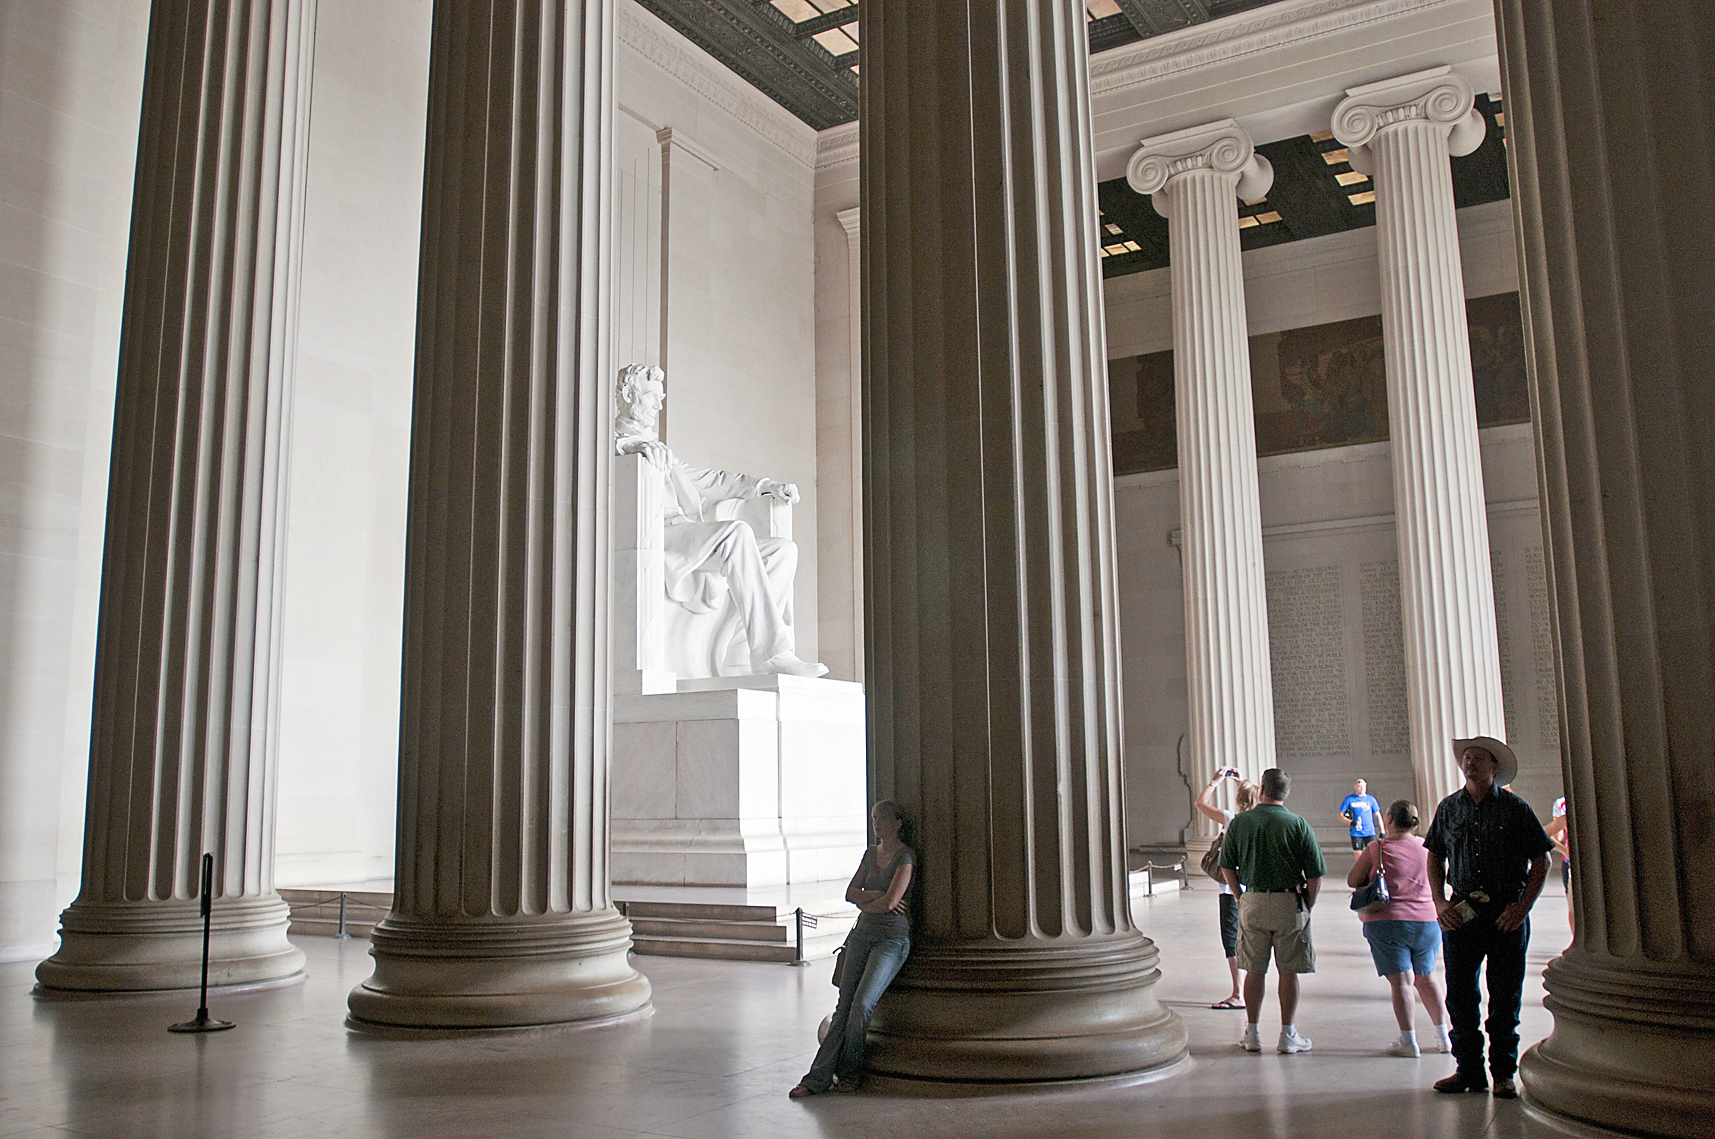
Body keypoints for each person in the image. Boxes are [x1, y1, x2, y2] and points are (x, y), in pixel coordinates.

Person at [614, 364, 827, 678]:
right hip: (656, 535)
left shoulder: (662, 450)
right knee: (737, 533)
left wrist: (764, 486)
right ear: (629, 395)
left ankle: (742, 655)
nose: (659, 406)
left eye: (662, 398)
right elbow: (605, 451)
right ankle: (773, 654)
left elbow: (713, 481)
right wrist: (633, 445)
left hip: (689, 534)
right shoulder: (615, 441)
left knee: (783, 551)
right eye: (651, 397)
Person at [1425, 736, 1553, 1099]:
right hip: (1461, 914)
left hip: (1505, 915)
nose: (1470, 764)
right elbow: (1434, 854)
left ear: (1494, 767)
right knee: (1461, 996)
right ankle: (1468, 1070)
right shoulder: (1449, 808)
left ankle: (1503, 1074)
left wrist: (1523, 906)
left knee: (1505, 996)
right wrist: (1439, 902)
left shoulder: (1515, 808)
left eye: (1479, 758)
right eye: (1466, 758)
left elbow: (1542, 858)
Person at [790, 801, 914, 1097]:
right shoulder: (870, 853)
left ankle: (848, 1073)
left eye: (882, 818)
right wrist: (875, 897)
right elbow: (851, 893)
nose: (876, 823)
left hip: (891, 941)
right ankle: (816, 1079)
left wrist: (869, 901)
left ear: (897, 823)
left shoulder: (905, 857)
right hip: (861, 935)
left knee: (861, 1006)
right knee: (843, 1006)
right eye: (873, 818)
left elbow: (889, 903)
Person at [1219, 767, 1327, 1054]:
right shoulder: (1298, 824)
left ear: (1262, 789)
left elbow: (1226, 865)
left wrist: (1239, 895)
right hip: (1288, 902)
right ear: (1286, 793)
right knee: (1288, 971)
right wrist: (1308, 903)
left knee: (1254, 970)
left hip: (1253, 900)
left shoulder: (1241, 823)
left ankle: (1252, 1034)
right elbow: (1316, 874)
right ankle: (1287, 1034)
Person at [1347, 799, 1451, 1057]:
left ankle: (1408, 1041)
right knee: (1427, 980)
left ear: (1390, 819)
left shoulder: (1377, 848)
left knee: (1401, 983)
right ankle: (1444, 1037)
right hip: (1428, 922)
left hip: (1387, 921)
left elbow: (1352, 879)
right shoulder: (1429, 849)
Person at [1195, 768, 1260, 1009]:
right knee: (1253, 939)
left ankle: (1238, 993)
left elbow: (1200, 804)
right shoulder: (1261, 822)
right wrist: (1241, 781)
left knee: (1231, 940)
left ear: (1238, 800)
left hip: (1231, 889)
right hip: (1257, 889)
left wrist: (1215, 781)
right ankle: (1251, 990)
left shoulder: (1232, 819)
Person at [1544, 795, 1573, 937]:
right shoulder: (1563, 807)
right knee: (1574, 907)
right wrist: (1565, 850)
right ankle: (1577, 941)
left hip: (1570, 863)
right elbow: (1548, 835)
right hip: (1571, 865)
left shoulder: (1562, 805)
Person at [1338, 778, 1383, 855]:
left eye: (1363, 786)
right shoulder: (1349, 799)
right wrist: (1351, 822)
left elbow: (1378, 815)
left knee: (1373, 854)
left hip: (1369, 832)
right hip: (1356, 832)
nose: (1361, 788)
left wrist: (1382, 831)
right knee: (1358, 855)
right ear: (1355, 787)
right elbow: (1340, 815)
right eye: (1359, 786)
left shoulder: (1371, 799)